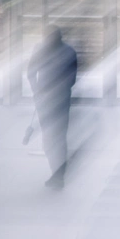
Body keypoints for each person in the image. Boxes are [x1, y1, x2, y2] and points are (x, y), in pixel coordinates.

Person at [29, 26, 79, 189]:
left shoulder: (40, 50)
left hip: (45, 100)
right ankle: (59, 174)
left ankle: (57, 173)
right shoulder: (69, 51)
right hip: (62, 100)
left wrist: (38, 90)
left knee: (49, 137)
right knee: (60, 136)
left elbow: (31, 72)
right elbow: (73, 79)